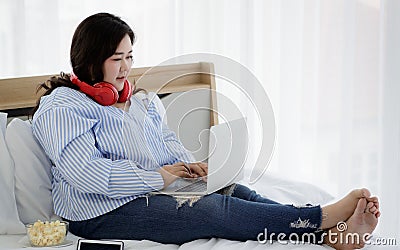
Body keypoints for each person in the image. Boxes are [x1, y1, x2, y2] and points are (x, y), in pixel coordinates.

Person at [31, 13, 380, 249]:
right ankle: (321, 217)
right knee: (211, 209)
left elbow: (166, 144)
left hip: (151, 190)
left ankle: (323, 238)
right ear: (90, 60)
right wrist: (159, 178)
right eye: (116, 59)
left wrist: (188, 166)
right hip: (99, 213)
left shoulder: (141, 101)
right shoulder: (63, 106)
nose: (126, 68)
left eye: (130, 56)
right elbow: (87, 175)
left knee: (237, 191)